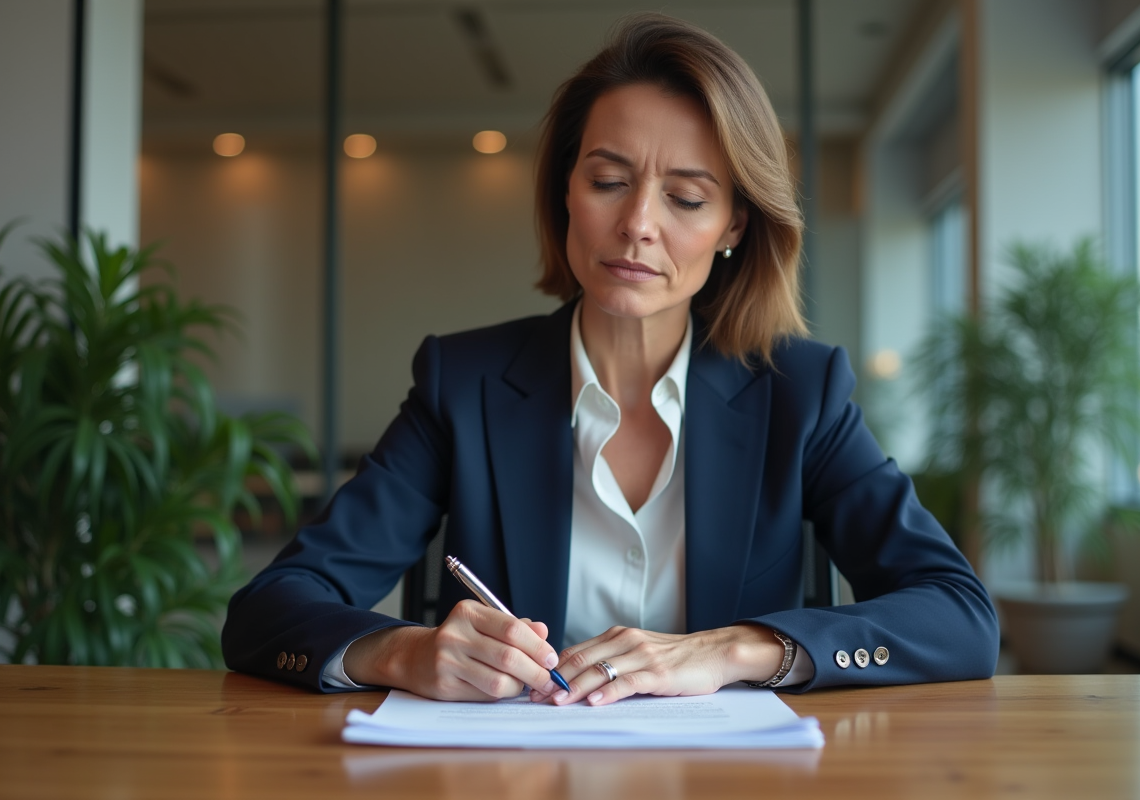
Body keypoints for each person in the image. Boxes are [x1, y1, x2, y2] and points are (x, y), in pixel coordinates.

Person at [221, 14, 999, 704]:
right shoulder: (463, 384)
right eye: (608, 181)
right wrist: (402, 650)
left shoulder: (802, 391)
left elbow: (959, 616)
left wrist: (735, 650)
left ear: (734, 224)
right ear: (567, 190)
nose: (636, 225)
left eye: (687, 199)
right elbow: (270, 609)